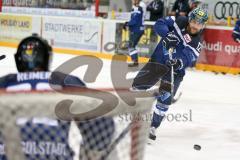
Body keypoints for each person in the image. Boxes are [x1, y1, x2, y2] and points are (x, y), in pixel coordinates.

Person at [0, 34, 115, 159]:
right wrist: (90, 153)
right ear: (47, 58)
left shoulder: (4, 82)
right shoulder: (65, 81)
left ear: (18, 60)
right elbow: (102, 124)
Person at [131, 8, 208, 140]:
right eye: (194, 21)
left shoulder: (197, 43)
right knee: (136, 87)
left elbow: (189, 57)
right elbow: (159, 23)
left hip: (175, 72)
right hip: (158, 61)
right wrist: (167, 34)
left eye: (200, 24)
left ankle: (153, 126)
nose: (196, 26)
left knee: (164, 100)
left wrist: (179, 63)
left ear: (203, 25)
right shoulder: (179, 20)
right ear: (190, 19)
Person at [124, 0, 145, 67]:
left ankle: (135, 61)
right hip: (136, 29)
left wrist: (127, 23)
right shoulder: (134, 8)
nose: (132, 1)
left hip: (137, 30)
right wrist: (127, 24)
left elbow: (135, 21)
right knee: (133, 46)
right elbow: (133, 19)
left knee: (131, 46)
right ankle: (135, 61)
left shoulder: (138, 8)